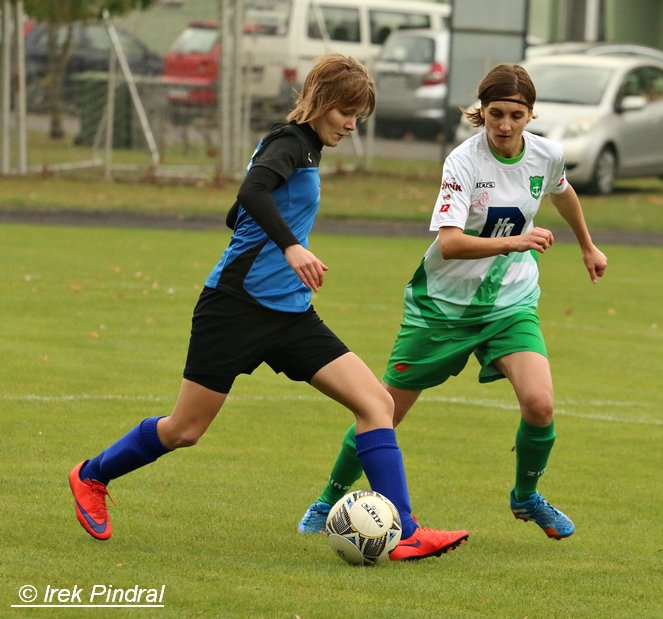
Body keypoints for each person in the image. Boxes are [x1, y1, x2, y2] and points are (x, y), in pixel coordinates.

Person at [68, 53, 468, 562]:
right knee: (185, 430)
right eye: (346, 112)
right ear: (320, 101)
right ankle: (91, 475)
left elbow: (239, 212)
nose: (351, 124)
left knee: (376, 404)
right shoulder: (289, 142)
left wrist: (271, 234)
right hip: (234, 309)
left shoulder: (306, 149)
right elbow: (251, 191)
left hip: (290, 315)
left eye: (358, 116)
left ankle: (406, 532)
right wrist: (290, 246)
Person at [298, 63, 608, 540]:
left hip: (509, 303)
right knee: (383, 410)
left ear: (531, 115)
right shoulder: (463, 162)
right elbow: (450, 243)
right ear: (481, 111)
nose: (505, 125)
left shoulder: (547, 155)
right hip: (442, 308)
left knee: (539, 404)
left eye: (516, 115)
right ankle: (326, 501)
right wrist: (515, 241)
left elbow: (562, 193)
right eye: (496, 113)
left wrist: (587, 245)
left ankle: (526, 496)